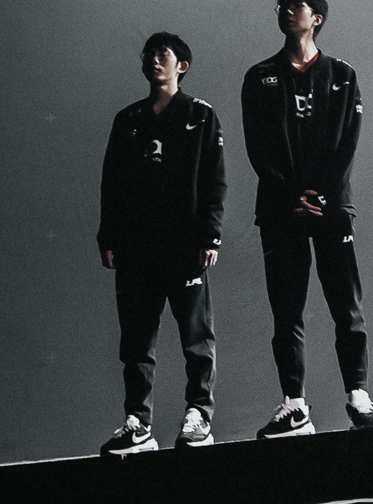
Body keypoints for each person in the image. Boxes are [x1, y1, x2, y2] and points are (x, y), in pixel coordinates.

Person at [242, 0, 373, 438]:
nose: (287, 11)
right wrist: (290, 195)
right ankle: (294, 404)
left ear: (316, 17)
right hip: (280, 209)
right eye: (282, 5)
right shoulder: (259, 76)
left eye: (296, 5)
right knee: (287, 311)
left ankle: (358, 394)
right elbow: (258, 147)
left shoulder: (342, 74)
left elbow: (348, 141)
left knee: (346, 304)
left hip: (332, 206)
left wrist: (319, 193)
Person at [97, 32, 226, 455]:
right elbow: (112, 183)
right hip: (137, 247)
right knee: (136, 340)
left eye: (163, 54)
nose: (154, 59)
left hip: (184, 245)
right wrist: (108, 237)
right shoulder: (128, 119)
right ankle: (138, 423)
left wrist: (210, 235)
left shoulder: (200, 115)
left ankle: (199, 415)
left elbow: (214, 180)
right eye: (149, 54)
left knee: (195, 336)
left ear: (181, 66)